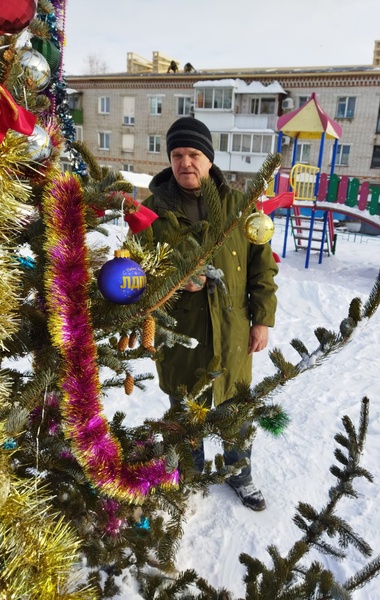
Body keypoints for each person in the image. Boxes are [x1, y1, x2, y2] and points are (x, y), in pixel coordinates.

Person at [125, 117, 278, 511]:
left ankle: (239, 475)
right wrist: (173, 283)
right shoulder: (151, 212)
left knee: (235, 410)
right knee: (184, 411)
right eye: (177, 155)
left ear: (209, 159)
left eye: (194, 154)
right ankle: (188, 477)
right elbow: (133, 273)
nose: (185, 162)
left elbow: (263, 268)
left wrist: (261, 319)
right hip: (181, 336)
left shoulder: (240, 206)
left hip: (232, 332)